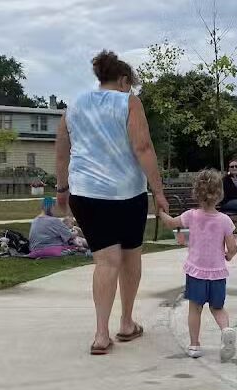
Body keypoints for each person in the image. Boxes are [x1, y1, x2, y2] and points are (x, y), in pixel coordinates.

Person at [55, 50, 169, 355]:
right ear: (122, 80)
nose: (130, 89)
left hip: (86, 195)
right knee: (130, 258)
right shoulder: (129, 102)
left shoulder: (74, 106)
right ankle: (127, 322)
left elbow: (62, 151)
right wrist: (158, 191)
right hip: (126, 194)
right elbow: (143, 147)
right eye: (129, 84)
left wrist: (62, 187)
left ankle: (101, 334)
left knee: (105, 262)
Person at [158, 169, 237, 362]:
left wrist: (161, 212)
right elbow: (232, 247)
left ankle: (194, 345)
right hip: (218, 273)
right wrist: (228, 256)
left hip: (196, 272)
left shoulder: (191, 216)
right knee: (218, 307)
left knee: (195, 308)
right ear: (219, 194)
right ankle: (226, 330)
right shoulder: (225, 220)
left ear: (197, 193)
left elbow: (171, 223)